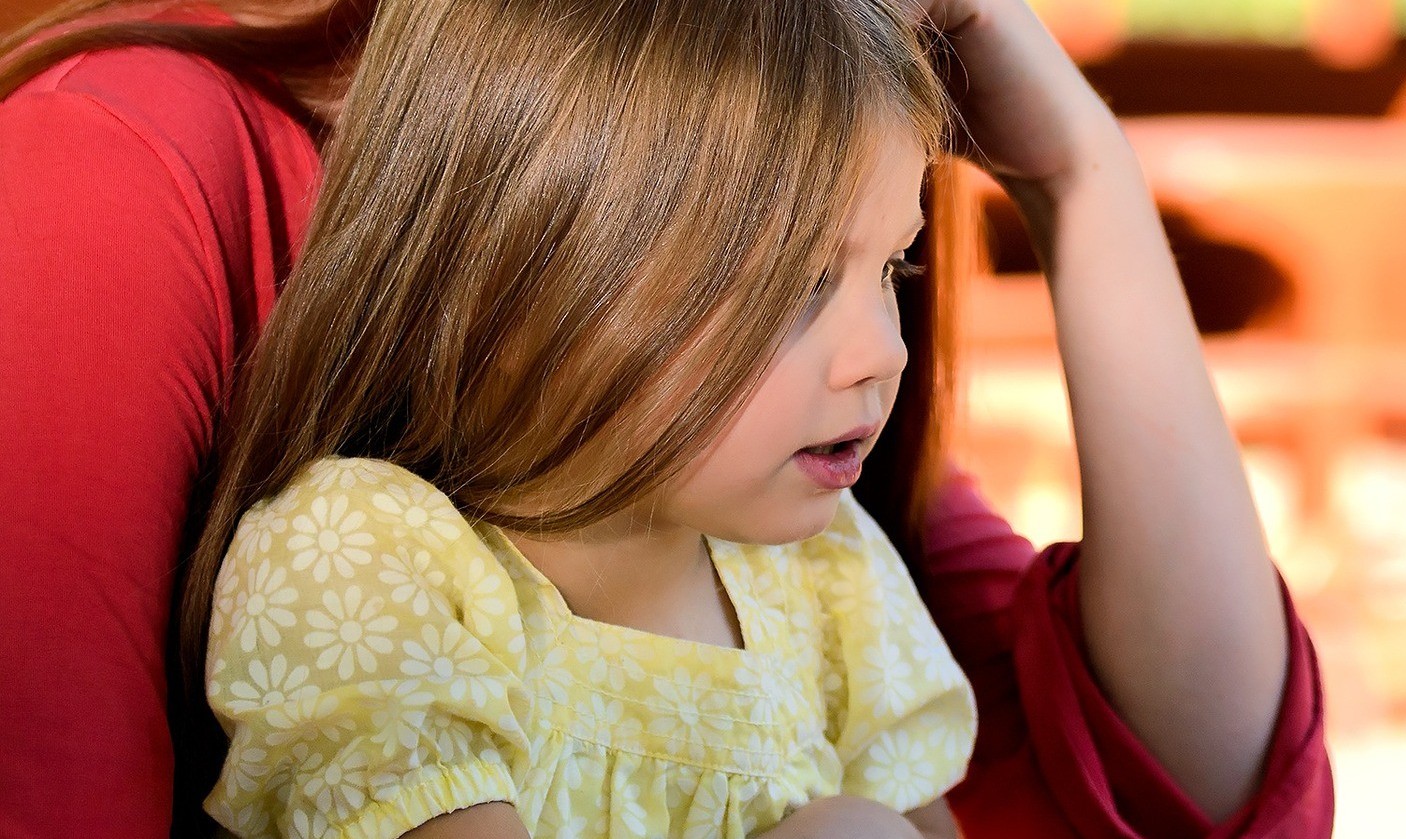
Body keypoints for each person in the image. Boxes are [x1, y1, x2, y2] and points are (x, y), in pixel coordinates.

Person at [0, 0, 1333, 836]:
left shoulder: (791, 537)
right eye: (794, 283)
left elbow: (1201, 786)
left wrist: (1081, 171)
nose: (879, 352)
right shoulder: (126, 179)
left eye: (896, 271)